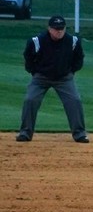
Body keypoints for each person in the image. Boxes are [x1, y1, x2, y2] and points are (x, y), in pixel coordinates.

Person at [17, 15, 89, 143]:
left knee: (75, 101)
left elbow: (79, 58)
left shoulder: (73, 41)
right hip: (41, 78)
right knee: (30, 100)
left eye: (61, 28)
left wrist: (70, 71)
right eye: (56, 29)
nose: (59, 31)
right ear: (49, 29)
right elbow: (28, 57)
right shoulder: (37, 41)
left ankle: (80, 134)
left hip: (64, 78)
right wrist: (34, 72)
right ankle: (25, 133)